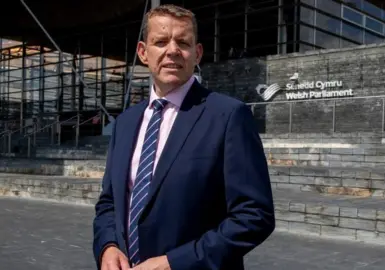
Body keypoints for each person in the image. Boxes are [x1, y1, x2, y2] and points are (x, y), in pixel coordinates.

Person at [92, 4, 275, 270]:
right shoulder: (125, 123)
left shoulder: (228, 116)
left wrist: (173, 263)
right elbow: (109, 202)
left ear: (197, 53)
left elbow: (254, 216)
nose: (173, 50)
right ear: (143, 52)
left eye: (183, 42)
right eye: (161, 41)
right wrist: (107, 247)